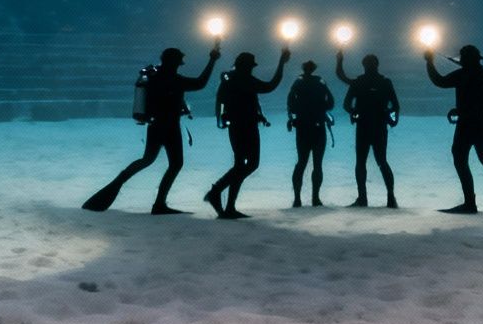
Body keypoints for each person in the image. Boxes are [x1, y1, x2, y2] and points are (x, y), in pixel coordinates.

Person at [82, 42, 220, 214]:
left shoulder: (155, 77)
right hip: (168, 126)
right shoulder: (173, 80)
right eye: (178, 62)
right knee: (174, 163)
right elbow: (200, 83)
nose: (179, 65)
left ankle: (120, 183)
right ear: (175, 63)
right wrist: (212, 60)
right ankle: (158, 203)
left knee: (148, 160)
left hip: (156, 125)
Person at [425, 43, 483, 214]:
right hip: (480, 123)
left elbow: (440, 81)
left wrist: (429, 62)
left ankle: (470, 203)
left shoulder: (463, 75)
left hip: (466, 124)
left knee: (460, 159)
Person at [204, 47, 290, 219]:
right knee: (249, 164)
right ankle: (218, 194)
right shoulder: (243, 79)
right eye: (251, 66)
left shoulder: (230, 79)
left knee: (241, 165)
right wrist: (281, 63)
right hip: (246, 127)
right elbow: (269, 86)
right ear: (246, 66)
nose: (252, 69)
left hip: (237, 126)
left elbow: (221, 100)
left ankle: (226, 204)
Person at [335, 49, 400, 208]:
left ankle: (362, 198)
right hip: (379, 127)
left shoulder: (359, 82)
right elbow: (396, 106)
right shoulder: (385, 82)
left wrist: (354, 113)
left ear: (364, 66)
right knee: (382, 161)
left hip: (363, 127)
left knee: (361, 162)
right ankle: (391, 198)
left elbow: (345, 103)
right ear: (377, 65)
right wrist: (392, 119)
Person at [286, 60, 337, 207]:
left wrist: (300, 112)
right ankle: (315, 197)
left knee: (301, 162)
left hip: (302, 127)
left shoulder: (297, 83)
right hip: (318, 127)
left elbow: (291, 105)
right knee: (317, 164)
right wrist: (320, 108)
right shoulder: (320, 82)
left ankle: (297, 198)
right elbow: (331, 103)